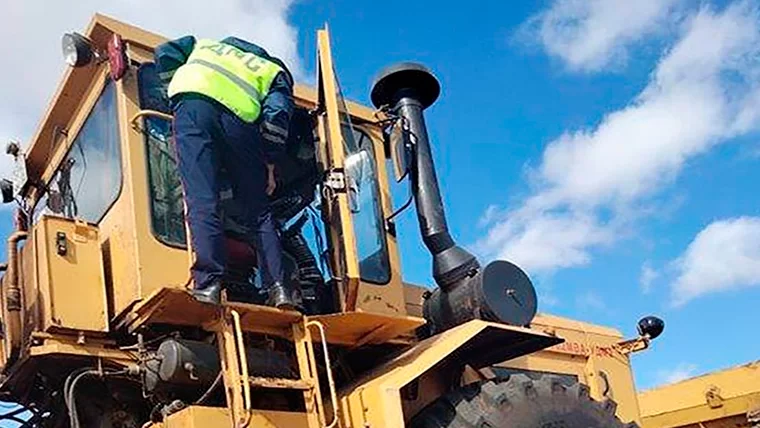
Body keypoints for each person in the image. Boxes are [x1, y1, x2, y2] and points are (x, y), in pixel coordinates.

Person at [154, 36, 296, 308]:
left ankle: (208, 285)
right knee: (259, 212)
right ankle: (279, 289)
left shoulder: (203, 44)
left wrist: (168, 98)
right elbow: (278, 113)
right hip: (240, 121)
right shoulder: (273, 70)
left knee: (202, 201)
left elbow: (166, 52)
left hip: (192, 106)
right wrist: (269, 161)